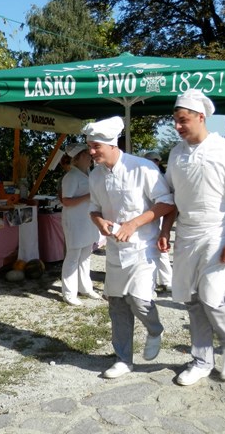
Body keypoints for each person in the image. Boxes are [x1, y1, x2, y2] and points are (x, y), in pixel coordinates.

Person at [159, 89, 225, 386]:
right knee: (190, 298)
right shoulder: (176, 153)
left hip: (217, 231)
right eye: (175, 120)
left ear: (201, 117)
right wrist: (165, 229)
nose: (177, 126)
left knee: (211, 297)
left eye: (183, 120)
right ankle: (201, 360)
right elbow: (172, 197)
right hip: (187, 233)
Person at [85, 116, 174, 379]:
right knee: (117, 305)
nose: (91, 152)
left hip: (143, 248)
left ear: (112, 144)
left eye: (96, 146)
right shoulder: (95, 175)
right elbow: (94, 209)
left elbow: (167, 203)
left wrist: (133, 224)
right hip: (115, 250)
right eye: (89, 146)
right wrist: (99, 222)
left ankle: (155, 329)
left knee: (139, 299)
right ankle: (123, 359)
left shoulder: (142, 167)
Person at [60, 143, 102, 306]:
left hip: (87, 220)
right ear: (77, 158)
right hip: (74, 221)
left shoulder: (89, 173)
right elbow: (66, 201)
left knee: (86, 255)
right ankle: (69, 293)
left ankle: (85, 288)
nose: (90, 156)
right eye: (86, 154)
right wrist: (89, 196)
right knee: (73, 256)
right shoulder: (71, 176)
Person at [144, 150, 173, 292]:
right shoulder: (142, 175)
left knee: (161, 248)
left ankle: (166, 280)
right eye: (151, 160)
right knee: (148, 250)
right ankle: (151, 282)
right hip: (146, 216)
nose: (154, 162)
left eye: (156, 160)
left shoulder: (162, 176)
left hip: (159, 215)